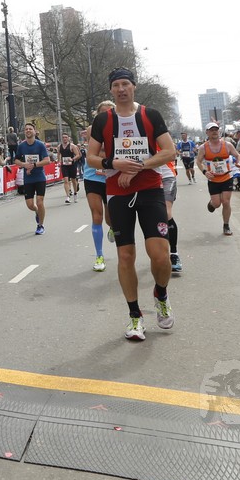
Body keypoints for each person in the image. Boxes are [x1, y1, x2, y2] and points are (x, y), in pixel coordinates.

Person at [87, 68, 178, 342]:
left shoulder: (150, 115)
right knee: (126, 256)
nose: (121, 89)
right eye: (116, 85)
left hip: (150, 189)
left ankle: (161, 294)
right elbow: (91, 157)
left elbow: (169, 151)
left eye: (125, 83)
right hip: (118, 192)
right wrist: (113, 163)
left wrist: (138, 166)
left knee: (160, 255)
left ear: (133, 86)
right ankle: (135, 315)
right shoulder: (103, 120)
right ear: (111, 90)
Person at [81, 106, 114, 273]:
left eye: (110, 111)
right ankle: (99, 256)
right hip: (92, 176)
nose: (106, 114)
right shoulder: (91, 129)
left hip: (110, 177)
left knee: (110, 218)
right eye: (103, 112)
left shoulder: (119, 130)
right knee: (96, 216)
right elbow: (95, 154)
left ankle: (113, 228)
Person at [199, 122, 237, 236]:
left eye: (216, 129)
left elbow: (237, 155)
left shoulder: (227, 145)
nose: (214, 132)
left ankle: (226, 225)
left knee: (226, 201)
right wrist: (205, 172)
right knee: (217, 204)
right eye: (212, 130)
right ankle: (212, 203)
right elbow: (199, 162)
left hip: (226, 177)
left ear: (219, 131)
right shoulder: (203, 147)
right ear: (207, 132)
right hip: (213, 179)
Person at [14, 123, 52, 235]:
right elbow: (16, 160)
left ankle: (40, 225)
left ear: (34, 131)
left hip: (39, 177)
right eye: (26, 129)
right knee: (30, 205)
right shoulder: (21, 146)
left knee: (40, 202)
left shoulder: (40, 145)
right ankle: (37, 212)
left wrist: (34, 165)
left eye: (30, 129)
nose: (28, 130)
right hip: (28, 179)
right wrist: (24, 165)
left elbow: (47, 160)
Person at [57, 133, 81, 203]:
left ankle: (75, 194)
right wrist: (59, 162)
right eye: (63, 137)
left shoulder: (72, 146)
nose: (64, 139)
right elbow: (59, 154)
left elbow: (78, 155)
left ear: (68, 138)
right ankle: (68, 196)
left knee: (73, 180)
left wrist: (72, 159)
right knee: (66, 180)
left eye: (66, 137)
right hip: (64, 165)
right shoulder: (59, 146)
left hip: (72, 165)